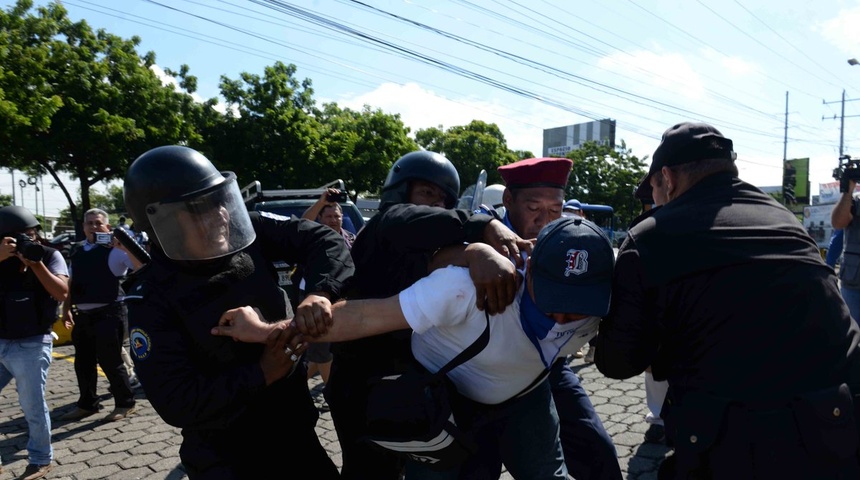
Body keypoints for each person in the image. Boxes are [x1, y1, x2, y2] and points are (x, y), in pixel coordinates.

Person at [213, 215, 615, 480]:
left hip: (527, 397)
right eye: (552, 296)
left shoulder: (609, 302)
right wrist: (267, 330)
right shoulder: (464, 288)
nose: (563, 318)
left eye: (579, 306)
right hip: (442, 406)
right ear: (526, 263)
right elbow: (364, 317)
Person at [596, 121, 860, 479]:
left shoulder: (650, 238)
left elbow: (617, 362)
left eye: (654, 189)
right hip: (837, 427)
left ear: (668, 179)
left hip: (732, 448)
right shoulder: (785, 220)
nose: (654, 201)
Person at [121, 145, 353, 479]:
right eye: (200, 208)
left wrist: (320, 292)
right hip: (227, 459)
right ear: (165, 223)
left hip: (296, 438)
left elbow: (324, 241)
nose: (220, 215)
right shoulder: (150, 298)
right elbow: (177, 401)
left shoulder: (250, 234)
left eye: (220, 201)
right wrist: (262, 372)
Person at [325, 150, 530, 480]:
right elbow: (411, 220)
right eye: (426, 192)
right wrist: (485, 224)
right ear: (400, 192)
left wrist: (475, 250)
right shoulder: (386, 226)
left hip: (404, 382)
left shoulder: (425, 245)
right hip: (360, 381)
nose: (435, 204)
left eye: (442, 199)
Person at [497, 157, 623, 480]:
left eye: (555, 210)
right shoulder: (488, 239)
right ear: (508, 201)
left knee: (599, 453)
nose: (544, 221)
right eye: (534, 208)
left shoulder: (567, 240)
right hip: (485, 375)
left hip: (549, 369)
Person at [0, 206, 69, 480]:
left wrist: (36, 263)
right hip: (1, 339)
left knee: (32, 404)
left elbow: (61, 292)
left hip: (32, 342)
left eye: (29, 234)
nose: (26, 240)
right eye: (17, 237)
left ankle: (40, 459)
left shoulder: (50, 255)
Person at [59, 208, 143, 423]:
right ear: (84, 227)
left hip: (109, 312)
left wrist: (126, 247)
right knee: (83, 362)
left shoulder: (114, 250)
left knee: (111, 361)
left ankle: (125, 403)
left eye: (98, 223)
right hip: (83, 315)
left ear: (107, 226)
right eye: (90, 223)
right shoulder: (76, 250)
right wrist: (66, 308)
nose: (94, 227)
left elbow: (141, 267)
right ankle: (87, 404)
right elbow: (70, 281)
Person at [299, 188, 357, 412]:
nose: (334, 220)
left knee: (322, 350)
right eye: (329, 216)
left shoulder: (350, 239)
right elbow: (303, 221)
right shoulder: (314, 237)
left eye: (337, 216)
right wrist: (321, 201)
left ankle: (290, 386)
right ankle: (334, 395)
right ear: (321, 219)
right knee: (322, 348)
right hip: (316, 299)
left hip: (342, 301)